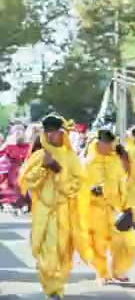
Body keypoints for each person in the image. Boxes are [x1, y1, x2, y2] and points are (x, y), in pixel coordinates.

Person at [18, 114, 92, 300]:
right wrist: (43, 167)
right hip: (43, 212)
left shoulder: (71, 157)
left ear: (63, 134)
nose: (52, 136)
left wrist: (58, 172)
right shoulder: (39, 156)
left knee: (62, 252)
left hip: (64, 211)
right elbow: (25, 182)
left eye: (55, 132)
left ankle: (56, 288)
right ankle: (51, 288)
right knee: (46, 254)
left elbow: (78, 185)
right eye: (48, 131)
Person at [84, 129, 135, 285]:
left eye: (110, 143)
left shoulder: (116, 161)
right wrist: (90, 190)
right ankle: (102, 273)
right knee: (98, 244)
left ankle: (119, 271)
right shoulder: (87, 162)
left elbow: (124, 184)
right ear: (98, 142)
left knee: (124, 242)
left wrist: (128, 207)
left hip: (116, 208)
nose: (108, 146)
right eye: (105, 143)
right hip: (95, 209)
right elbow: (77, 186)